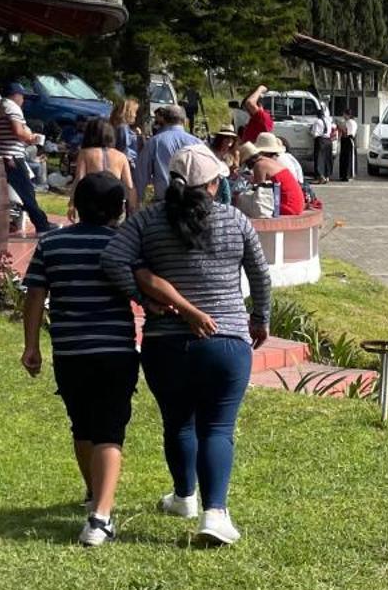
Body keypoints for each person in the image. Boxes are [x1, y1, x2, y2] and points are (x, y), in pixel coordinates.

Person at [102, 143, 270, 547]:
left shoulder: (147, 220)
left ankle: (184, 497)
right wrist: (260, 317)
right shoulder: (235, 219)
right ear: (213, 185)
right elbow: (260, 275)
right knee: (217, 426)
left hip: (165, 342)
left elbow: (112, 259)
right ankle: (215, 513)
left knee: (178, 422)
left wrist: (145, 300)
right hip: (226, 339)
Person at [22, 172, 139, 547]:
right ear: (118, 209)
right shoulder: (122, 245)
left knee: (82, 426)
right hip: (115, 350)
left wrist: (31, 346)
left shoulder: (52, 243)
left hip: (70, 352)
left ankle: (93, 492)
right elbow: (141, 287)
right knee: (110, 430)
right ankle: (100, 518)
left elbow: (35, 296)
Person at [0, 81, 52, 233]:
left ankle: (6, 223)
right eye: (22, 97)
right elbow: (18, 131)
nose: (23, 100)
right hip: (12, 156)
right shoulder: (11, 107)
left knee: (0, 194)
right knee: (26, 192)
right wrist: (31, 138)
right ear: (16, 95)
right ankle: (43, 226)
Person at [135, 105, 203, 203]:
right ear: (185, 121)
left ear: (164, 120)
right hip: (191, 203)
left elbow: (141, 176)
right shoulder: (197, 143)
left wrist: (138, 201)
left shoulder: (154, 142)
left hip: (164, 203)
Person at [245, 138, 305, 216]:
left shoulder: (260, 164)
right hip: (296, 204)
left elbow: (259, 192)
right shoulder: (273, 162)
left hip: (288, 206)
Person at [74, 114, 133, 187]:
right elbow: (129, 185)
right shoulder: (122, 156)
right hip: (114, 194)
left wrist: (73, 197)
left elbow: (79, 179)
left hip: (91, 194)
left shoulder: (85, 153)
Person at [309, 108, 333, 181]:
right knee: (327, 158)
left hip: (320, 140)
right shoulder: (328, 121)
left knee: (319, 158)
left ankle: (320, 175)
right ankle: (327, 175)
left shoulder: (317, 121)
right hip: (328, 140)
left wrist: (310, 131)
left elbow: (315, 133)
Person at [336, 111, 358, 181]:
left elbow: (348, 132)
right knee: (343, 158)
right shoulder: (347, 122)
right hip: (344, 141)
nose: (343, 116)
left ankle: (348, 175)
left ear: (348, 115)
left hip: (349, 140)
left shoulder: (350, 122)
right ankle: (343, 175)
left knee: (349, 158)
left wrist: (340, 126)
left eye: (344, 115)